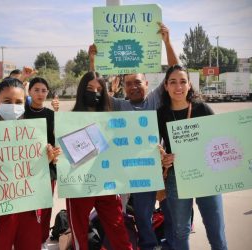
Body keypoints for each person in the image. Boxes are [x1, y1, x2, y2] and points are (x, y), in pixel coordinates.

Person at [88, 23, 178, 250]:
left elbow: (175, 71)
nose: (133, 87)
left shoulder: (156, 100)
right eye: (129, 84)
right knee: (141, 213)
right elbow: (96, 91)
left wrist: (167, 43)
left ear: (147, 84)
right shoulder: (119, 105)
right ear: (124, 88)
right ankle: (148, 245)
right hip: (132, 170)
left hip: (159, 166)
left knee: (170, 211)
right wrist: (92, 61)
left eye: (138, 82)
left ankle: (172, 244)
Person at [0, 77, 61, 250]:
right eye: (7, 101)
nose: (13, 106)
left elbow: (34, 170)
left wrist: (47, 160)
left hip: (28, 210)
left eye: (18, 102)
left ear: (24, 103)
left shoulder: (32, 134)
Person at [157, 64, 228, 250]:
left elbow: (225, 137)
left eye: (182, 81)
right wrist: (162, 157)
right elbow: (152, 147)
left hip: (207, 175)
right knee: (180, 232)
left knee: (216, 230)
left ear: (189, 85)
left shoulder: (202, 109)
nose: (178, 86)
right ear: (165, 86)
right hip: (176, 178)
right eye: (173, 82)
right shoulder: (161, 114)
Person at [66, 71, 133, 250]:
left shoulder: (111, 118)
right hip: (79, 185)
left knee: (118, 229)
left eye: (99, 89)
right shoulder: (68, 119)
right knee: (79, 233)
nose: (95, 92)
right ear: (81, 90)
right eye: (90, 88)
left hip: (106, 184)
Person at [24, 77, 56, 249]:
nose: (40, 93)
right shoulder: (21, 113)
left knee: (45, 207)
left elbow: (57, 141)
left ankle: (42, 239)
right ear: (29, 92)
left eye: (44, 90)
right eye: (36, 90)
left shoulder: (52, 115)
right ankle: (27, 237)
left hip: (47, 168)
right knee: (27, 207)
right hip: (24, 169)